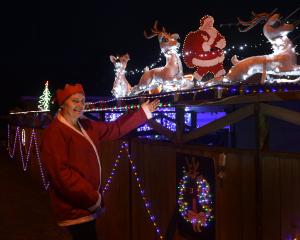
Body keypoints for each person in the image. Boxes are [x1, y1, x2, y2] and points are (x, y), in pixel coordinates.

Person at [41, 83, 160, 240]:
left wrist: (142, 113)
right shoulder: (55, 132)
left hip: (86, 205)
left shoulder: (86, 125)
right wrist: (92, 198)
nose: (80, 105)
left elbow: (114, 129)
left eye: (83, 101)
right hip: (75, 206)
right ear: (63, 104)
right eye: (75, 101)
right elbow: (61, 174)